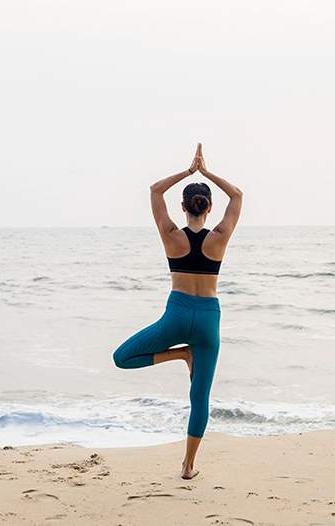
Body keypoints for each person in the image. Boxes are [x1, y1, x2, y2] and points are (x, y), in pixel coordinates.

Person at [112, 143, 244, 479]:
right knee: (199, 398)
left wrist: (189, 171)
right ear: (209, 208)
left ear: (183, 207)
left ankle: (180, 355)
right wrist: (207, 171)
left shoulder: (171, 235)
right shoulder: (219, 237)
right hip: (209, 319)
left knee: (122, 357)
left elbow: (155, 190)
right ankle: (188, 467)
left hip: (177, 314)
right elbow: (238, 196)